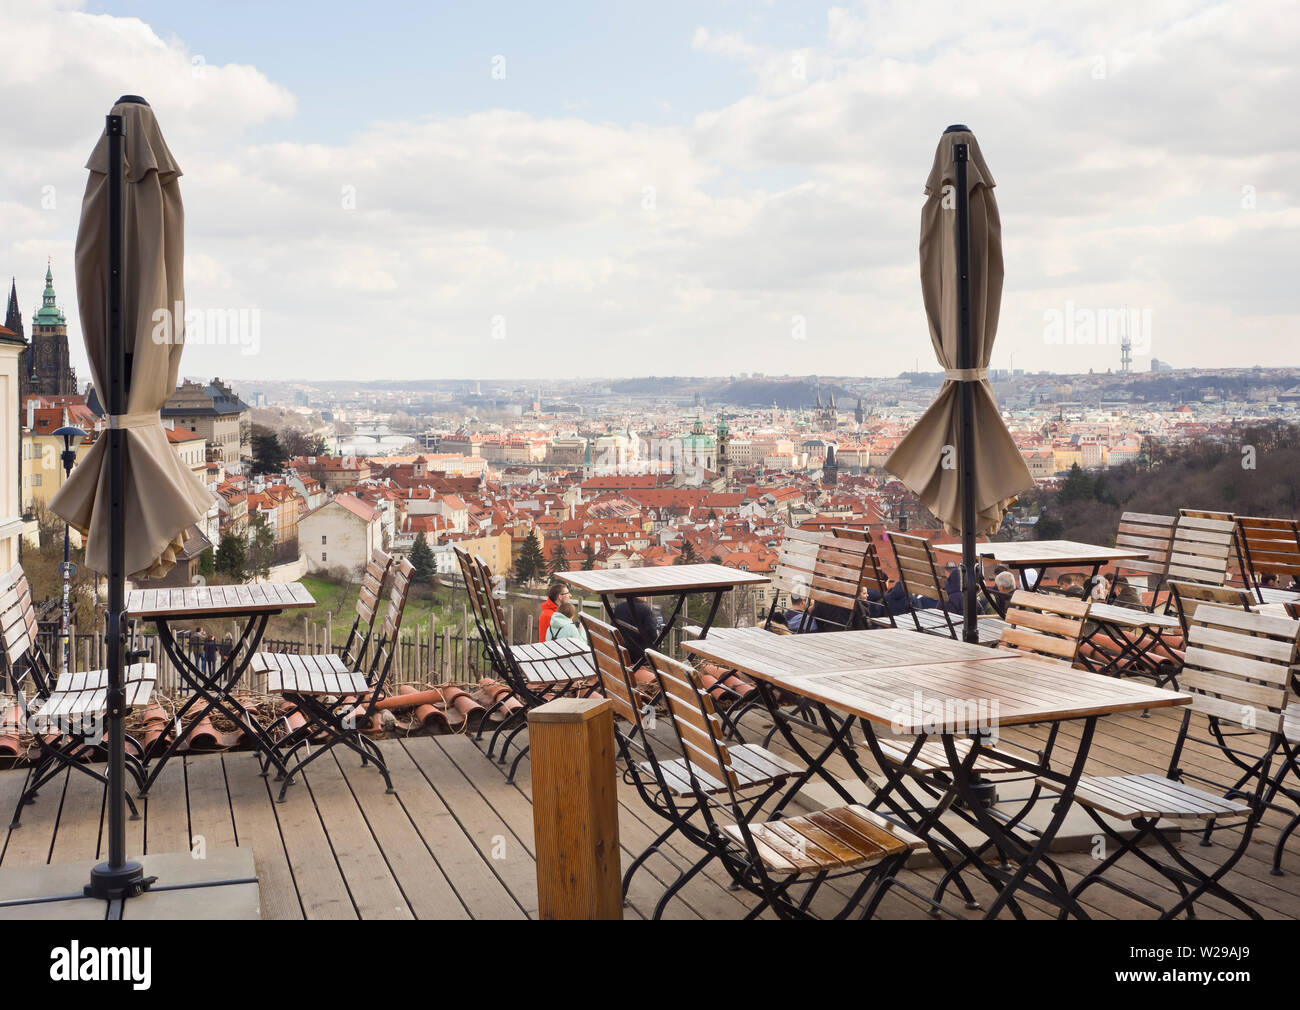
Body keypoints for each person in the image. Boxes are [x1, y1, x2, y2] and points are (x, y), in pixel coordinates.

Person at [613, 595, 658, 666]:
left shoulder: (619, 607)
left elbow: (614, 627)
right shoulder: (645, 609)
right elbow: (652, 635)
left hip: (621, 650)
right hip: (638, 654)